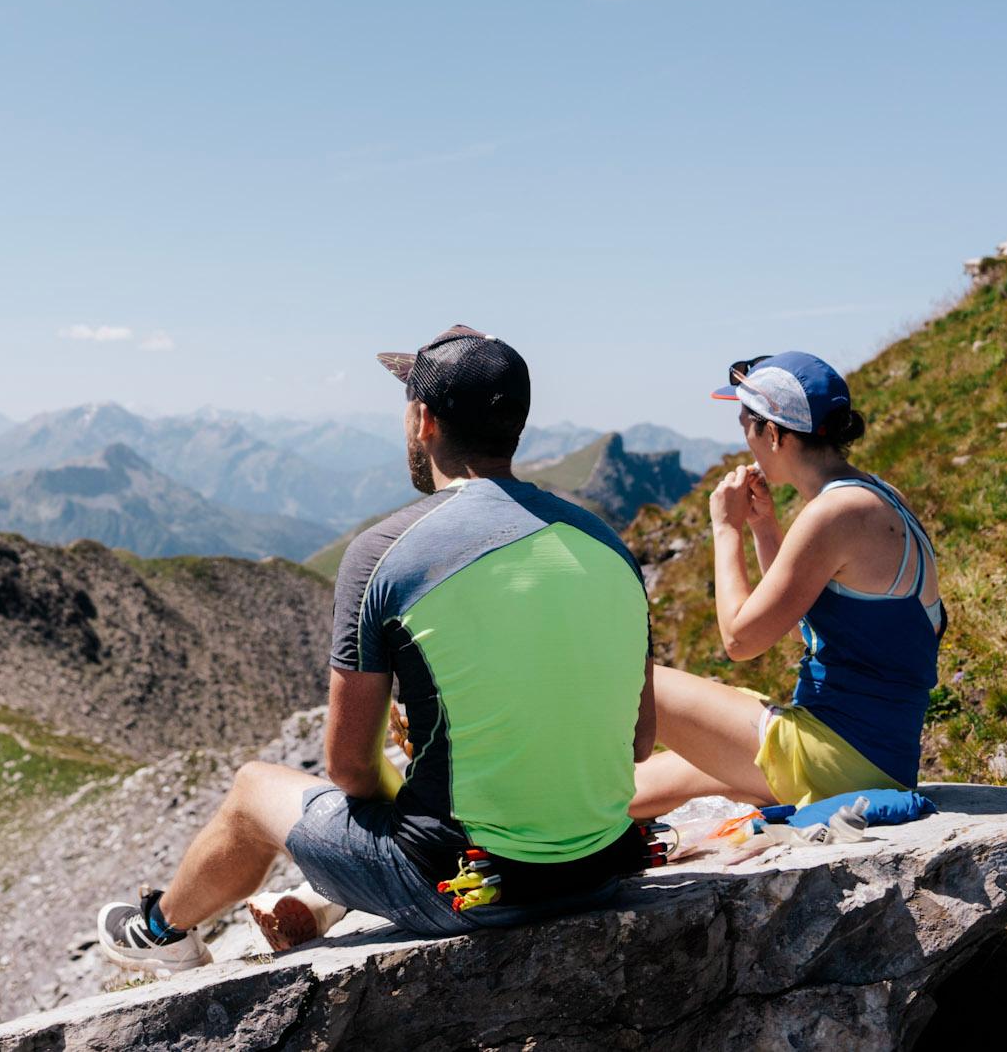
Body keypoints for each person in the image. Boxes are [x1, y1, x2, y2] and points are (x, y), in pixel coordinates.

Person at [95, 326, 656, 974]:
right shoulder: (608, 546)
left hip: (467, 888)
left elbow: (349, 769)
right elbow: (639, 744)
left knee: (253, 789)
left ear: (423, 420)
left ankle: (159, 930)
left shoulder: (385, 552)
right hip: (602, 867)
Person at [629, 352, 945, 818]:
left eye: (745, 425)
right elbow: (806, 621)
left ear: (773, 433)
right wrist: (764, 527)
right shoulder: (875, 495)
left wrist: (726, 529)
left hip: (836, 756)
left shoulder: (835, 514)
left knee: (635, 679)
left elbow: (740, 639)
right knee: (631, 792)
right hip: (869, 756)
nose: (745, 442)